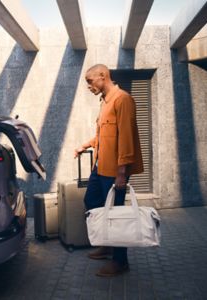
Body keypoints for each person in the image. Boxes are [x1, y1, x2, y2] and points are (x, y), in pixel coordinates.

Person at [74, 64, 143, 277]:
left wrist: (122, 172)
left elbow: (126, 138)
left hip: (115, 170)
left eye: (90, 81)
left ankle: (120, 261)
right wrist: (85, 145)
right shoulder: (104, 102)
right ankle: (108, 245)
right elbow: (105, 135)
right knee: (92, 203)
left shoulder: (122, 99)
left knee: (115, 215)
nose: (88, 86)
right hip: (100, 166)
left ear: (103, 76)